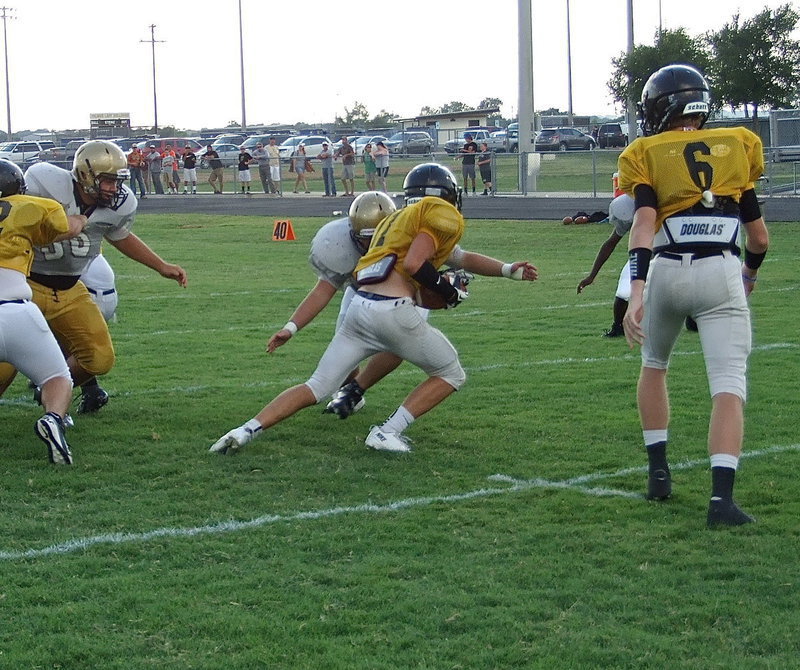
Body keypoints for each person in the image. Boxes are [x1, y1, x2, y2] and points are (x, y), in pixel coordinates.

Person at [210, 164, 538, 456]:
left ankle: (245, 430)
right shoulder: (439, 216)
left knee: (316, 386)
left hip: (359, 309)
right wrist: (448, 292)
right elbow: (416, 263)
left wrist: (508, 269)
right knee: (450, 373)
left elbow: (462, 258)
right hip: (392, 311)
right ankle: (386, 432)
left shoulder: (393, 223)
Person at [619, 64, 770, 528]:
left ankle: (658, 473)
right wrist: (748, 272)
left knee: (654, 365)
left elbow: (643, 224)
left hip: (665, 268)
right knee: (728, 385)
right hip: (720, 270)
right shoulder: (738, 147)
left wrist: (636, 289)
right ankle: (721, 500)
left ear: (659, 107)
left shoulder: (645, 151)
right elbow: (760, 238)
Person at [0, 140, 188, 415]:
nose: (115, 188)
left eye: (117, 181)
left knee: (99, 358)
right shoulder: (45, 184)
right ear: (86, 175)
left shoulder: (118, 206)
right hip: (30, 285)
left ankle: (51, 389)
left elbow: (120, 236)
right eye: (109, 181)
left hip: (70, 288)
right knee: (4, 366)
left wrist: (160, 265)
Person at [0, 159, 87, 464]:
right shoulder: (29, 207)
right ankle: (53, 419)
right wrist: (82, 220)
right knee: (57, 377)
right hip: (18, 311)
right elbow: (66, 226)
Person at [577, 194, 635, 337]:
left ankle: (692, 316)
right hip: (641, 256)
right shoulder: (630, 210)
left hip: (667, 254)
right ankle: (618, 326)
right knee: (622, 294)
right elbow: (610, 243)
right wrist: (592, 275)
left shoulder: (665, 207)